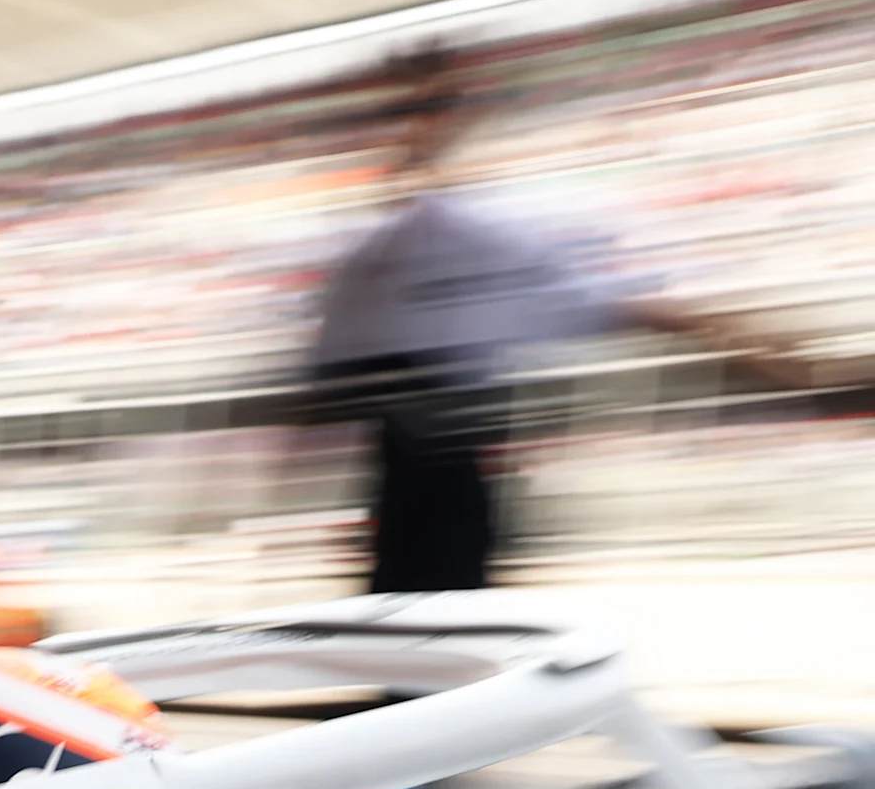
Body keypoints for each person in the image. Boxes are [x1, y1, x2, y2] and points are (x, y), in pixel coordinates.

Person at [309, 42, 808, 594]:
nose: (411, 130)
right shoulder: (380, 253)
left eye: (425, 109)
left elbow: (628, 307)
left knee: (435, 626)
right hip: (421, 497)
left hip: (440, 496)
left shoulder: (470, 240)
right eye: (403, 111)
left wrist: (765, 352)